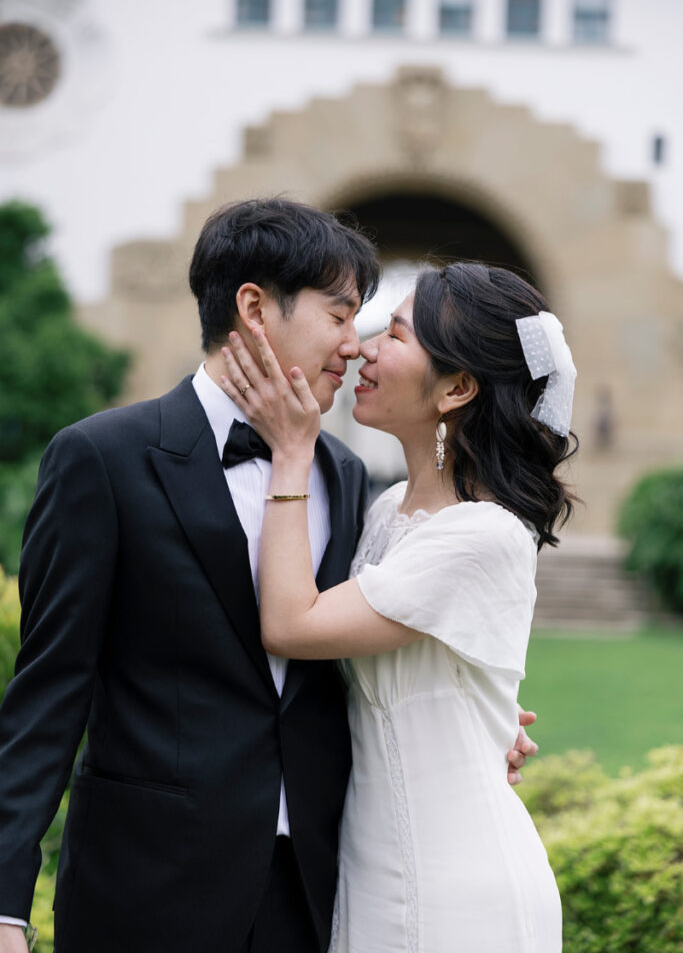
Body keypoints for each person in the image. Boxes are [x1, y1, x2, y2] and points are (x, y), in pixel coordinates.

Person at [0, 201, 537, 953]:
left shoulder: (347, 479)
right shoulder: (104, 460)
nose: (355, 347)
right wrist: (5, 908)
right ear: (253, 308)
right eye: (340, 315)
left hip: (319, 894)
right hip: (146, 890)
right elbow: (46, 696)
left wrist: (464, 714)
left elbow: (376, 628)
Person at [219, 259, 576, 953]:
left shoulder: (483, 534)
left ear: (457, 388)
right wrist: (480, 717)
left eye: (398, 335)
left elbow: (291, 625)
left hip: (460, 891)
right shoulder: (383, 510)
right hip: (367, 874)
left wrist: (292, 450)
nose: (363, 347)